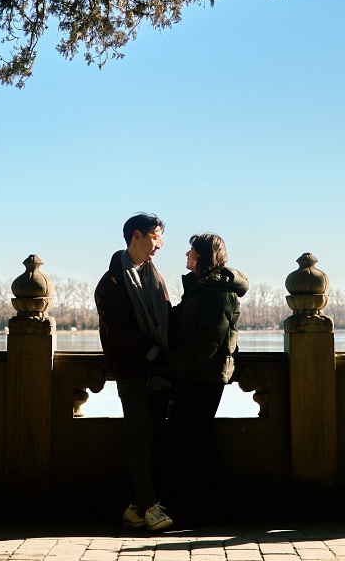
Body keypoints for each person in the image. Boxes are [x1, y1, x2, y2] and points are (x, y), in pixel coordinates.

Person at [156, 232, 247, 526]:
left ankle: (203, 511)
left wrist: (170, 364)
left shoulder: (218, 292)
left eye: (191, 251)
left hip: (204, 377)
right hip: (193, 374)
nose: (186, 256)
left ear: (203, 256)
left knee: (196, 442)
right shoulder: (201, 288)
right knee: (192, 440)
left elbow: (208, 341)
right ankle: (197, 509)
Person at [94, 213, 175, 531]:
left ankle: (133, 506)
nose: (160, 245)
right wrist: (153, 353)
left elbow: (167, 316)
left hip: (161, 372)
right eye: (156, 237)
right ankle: (151, 507)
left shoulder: (155, 277)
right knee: (140, 436)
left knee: (154, 438)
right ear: (137, 236)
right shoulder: (111, 282)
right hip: (132, 371)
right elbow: (118, 330)